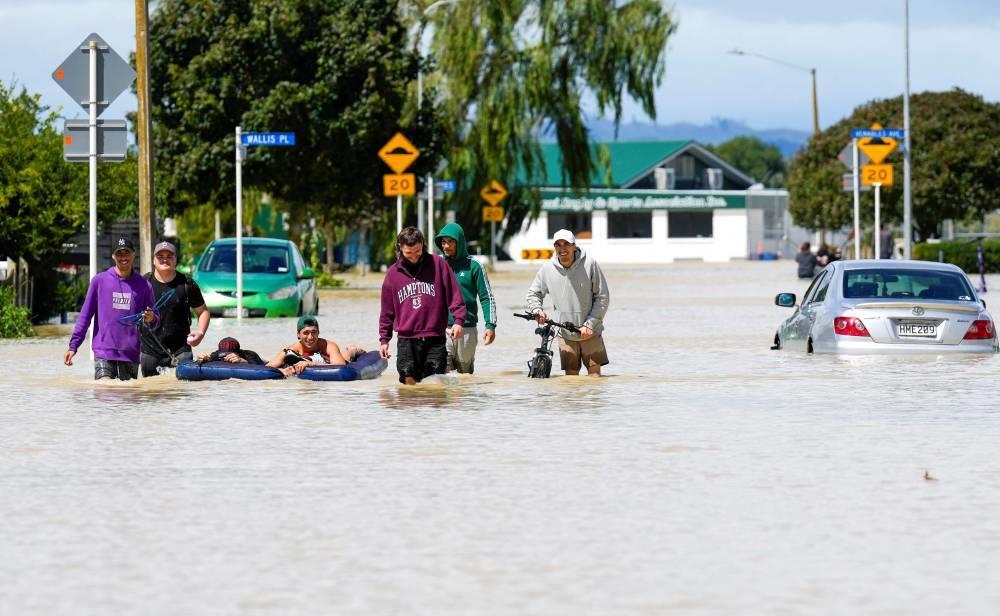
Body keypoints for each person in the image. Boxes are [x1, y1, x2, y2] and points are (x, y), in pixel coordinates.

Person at [63, 237, 159, 381]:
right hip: (104, 352)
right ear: (113, 256)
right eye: (119, 253)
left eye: (126, 253)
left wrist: (152, 318)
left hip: (130, 353)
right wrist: (73, 346)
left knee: (127, 399)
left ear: (134, 254)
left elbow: (156, 320)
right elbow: (85, 316)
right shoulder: (99, 281)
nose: (123, 257)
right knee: (106, 391)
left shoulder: (144, 286)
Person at [379, 226, 466, 384]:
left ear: (423, 245)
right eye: (408, 253)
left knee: (435, 384)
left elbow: (454, 295)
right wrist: (384, 340)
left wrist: (459, 321)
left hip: (435, 338)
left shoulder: (439, 265)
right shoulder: (392, 274)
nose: (413, 257)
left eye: (417, 252)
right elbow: (386, 312)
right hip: (407, 340)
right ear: (400, 248)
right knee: (408, 383)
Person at [525, 229, 610, 377]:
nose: (562, 248)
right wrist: (537, 310)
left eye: (566, 244)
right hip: (564, 334)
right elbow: (533, 293)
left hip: (591, 333)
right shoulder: (547, 268)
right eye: (558, 245)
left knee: (595, 377)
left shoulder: (590, 264)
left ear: (574, 246)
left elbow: (602, 297)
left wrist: (589, 324)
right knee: (570, 379)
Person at [140, 238, 211, 376]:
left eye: (169, 256)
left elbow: (203, 312)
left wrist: (200, 333)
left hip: (181, 350)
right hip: (150, 350)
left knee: (181, 393)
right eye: (160, 256)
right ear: (153, 260)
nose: (165, 260)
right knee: (149, 392)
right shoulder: (143, 283)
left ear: (175, 259)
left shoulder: (187, 284)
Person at [434, 222, 497, 374]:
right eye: (443, 242)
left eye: (450, 242)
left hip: (467, 329)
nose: (446, 246)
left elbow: (486, 297)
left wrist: (490, 325)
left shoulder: (475, 266)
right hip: (441, 330)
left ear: (459, 242)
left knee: (464, 376)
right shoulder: (437, 264)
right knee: (441, 372)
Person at [266, 315, 362, 376]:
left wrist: (310, 364)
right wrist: (282, 371)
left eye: (314, 332)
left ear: (318, 333)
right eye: (306, 333)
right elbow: (267, 368)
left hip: (327, 360)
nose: (310, 337)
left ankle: (354, 349)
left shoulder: (328, 345)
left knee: (347, 355)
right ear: (298, 335)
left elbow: (341, 366)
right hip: (311, 359)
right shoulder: (290, 351)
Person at [198, 336, 265, 365]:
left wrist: (243, 361)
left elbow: (262, 367)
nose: (227, 357)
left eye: (230, 354)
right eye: (224, 355)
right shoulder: (216, 355)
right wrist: (202, 358)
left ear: (238, 353)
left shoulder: (250, 355)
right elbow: (204, 359)